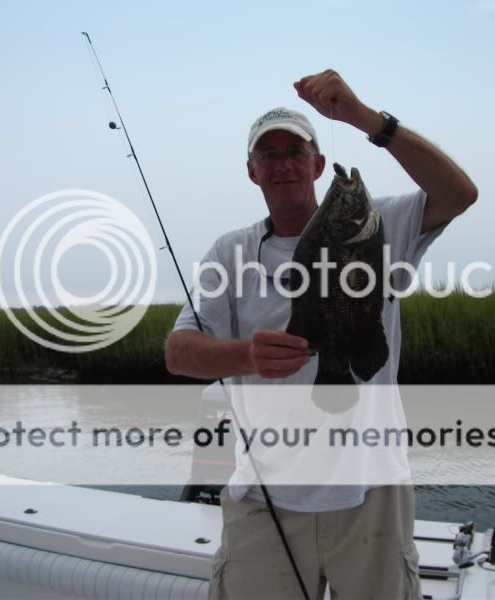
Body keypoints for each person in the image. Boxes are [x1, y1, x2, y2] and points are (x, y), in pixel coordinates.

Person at [165, 69, 477, 600]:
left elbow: (459, 192)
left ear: (317, 162)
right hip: (265, 494)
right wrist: (245, 355)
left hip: (371, 489)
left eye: (296, 150)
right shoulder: (229, 252)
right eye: (269, 154)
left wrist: (365, 119)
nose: (283, 162)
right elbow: (179, 354)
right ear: (252, 172)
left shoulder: (381, 225)